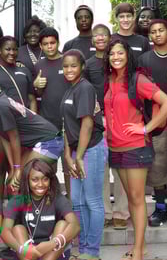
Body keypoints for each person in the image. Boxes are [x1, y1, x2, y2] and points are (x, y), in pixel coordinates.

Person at [103, 38, 167, 260]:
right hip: (115, 147)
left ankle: (138, 251)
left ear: (128, 56)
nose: (116, 57)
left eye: (120, 53)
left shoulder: (137, 79)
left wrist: (145, 128)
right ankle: (140, 247)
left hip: (135, 147)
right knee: (132, 201)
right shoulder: (110, 80)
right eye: (112, 54)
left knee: (136, 199)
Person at [0, 73, 64, 193]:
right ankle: (20, 210)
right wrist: (14, 168)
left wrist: (18, 169)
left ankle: (48, 204)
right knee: (12, 181)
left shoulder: (0, 105)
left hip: (50, 142)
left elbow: (14, 137)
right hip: (37, 143)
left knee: (19, 181)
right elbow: (5, 138)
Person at [137, 20, 167, 227]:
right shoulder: (144, 59)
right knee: (158, 165)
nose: (157, 34)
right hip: (158, 119)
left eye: (161, 31)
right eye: (153, 32)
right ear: (149, 36)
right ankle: (161, 208)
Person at [60, 49, 106, 260]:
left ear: (82, 67)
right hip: (76, 151)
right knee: (77, 201)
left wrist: (78, 157)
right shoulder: (70, 89)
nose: (69, 69)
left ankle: (92, 251)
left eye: (73, 66)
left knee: (92, 201)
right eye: (66, 66)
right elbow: (66, 126)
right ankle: (84, 247)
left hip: (91, 150)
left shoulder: (85, 88)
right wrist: (68, 156)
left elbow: (87, 124)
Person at [84, 24, 130, 230]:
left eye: (104, 35)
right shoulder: (88, 64)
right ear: (92, 40)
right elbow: (84, 91)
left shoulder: (118, 62)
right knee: (100, 169)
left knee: (120, 166)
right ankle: (105, 211)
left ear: (110, 38)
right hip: (99, 120)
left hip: (120, 118)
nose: (100, 38)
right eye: (96, 36)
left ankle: (121, 211)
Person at [1, 158, 80, 260]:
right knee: (17, 228)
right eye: (35, 180)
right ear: (27, 180)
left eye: (45, 179)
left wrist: (53, 243)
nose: (41, 184)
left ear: (50, 180)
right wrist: (22, 249)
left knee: (63, 224)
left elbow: (76, 225)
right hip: (27, 249)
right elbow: (4, 230)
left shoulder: (57, 198)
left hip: (53, 249)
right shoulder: (18, 200)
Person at [32, 27, 71, 196]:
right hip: (48, 125)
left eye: (52, 43)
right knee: (47, 168)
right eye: (45, 44)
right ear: (40, 45)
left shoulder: (67, 61)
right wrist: (37, 86)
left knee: (70, 168)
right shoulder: (39, 65)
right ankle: (52, 203)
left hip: (69, 124)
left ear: (58, 42)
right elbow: (38, 94)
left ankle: (72, 203)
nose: (49, 47)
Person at [0, 36, 37, 112]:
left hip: (25, 119)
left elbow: (32, 99)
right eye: (8, 49)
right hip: (3, 118)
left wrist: (33, 118)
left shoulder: (24, 70)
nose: (12, 53)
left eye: (15, 49)